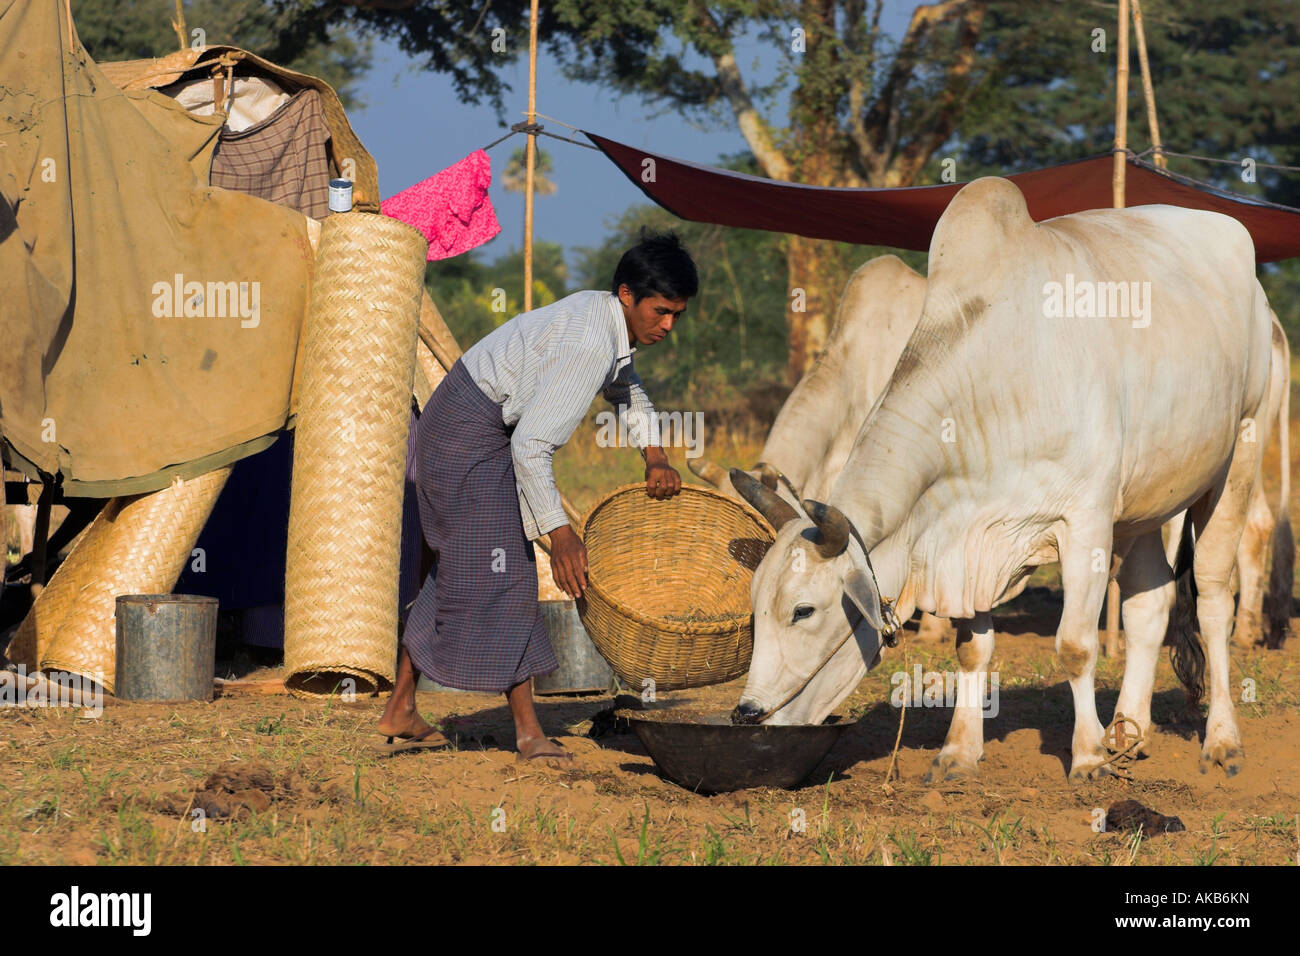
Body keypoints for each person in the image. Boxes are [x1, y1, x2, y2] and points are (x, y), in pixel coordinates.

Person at [378, 231, 697, 761]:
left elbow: (625, 388)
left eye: (677, 315)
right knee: (511, 574)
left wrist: (655, 455)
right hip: (466, 438)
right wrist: (562, 534)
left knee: (457, 567)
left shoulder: (604, 321)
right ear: (626, 295)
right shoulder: (591, 342)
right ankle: (528, 733)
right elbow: (530, 446)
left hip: (463, 427)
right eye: (660, 311)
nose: (667, 325)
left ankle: (401, 707)